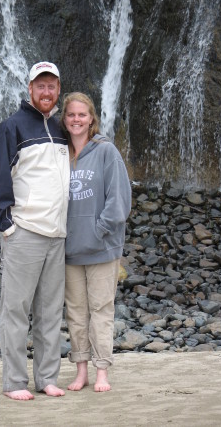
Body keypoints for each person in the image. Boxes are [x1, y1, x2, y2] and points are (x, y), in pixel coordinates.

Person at [0, 62, 70, 400]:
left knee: (50, 312)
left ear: (58, 90)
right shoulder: (12, 127)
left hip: (57, 235)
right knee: (16, 310)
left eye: (51, 86)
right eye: (40, 86)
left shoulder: (63, 129)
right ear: (30, 88)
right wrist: (5, 225)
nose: (46, 92)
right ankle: (14, 382)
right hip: (24, 233)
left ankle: (48, 378)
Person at [61, 92, 131, 392]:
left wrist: (99, 230)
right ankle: (81, 370)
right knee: (76, 313)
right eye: (71, 115)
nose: (76, 119)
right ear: (64, 120)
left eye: (82, 114)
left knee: (101, 310)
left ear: (92, 119)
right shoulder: (59, 154)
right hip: (69, 250)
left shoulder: (106, 152)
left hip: (102, 248)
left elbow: (119, 200)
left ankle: (102, 371)